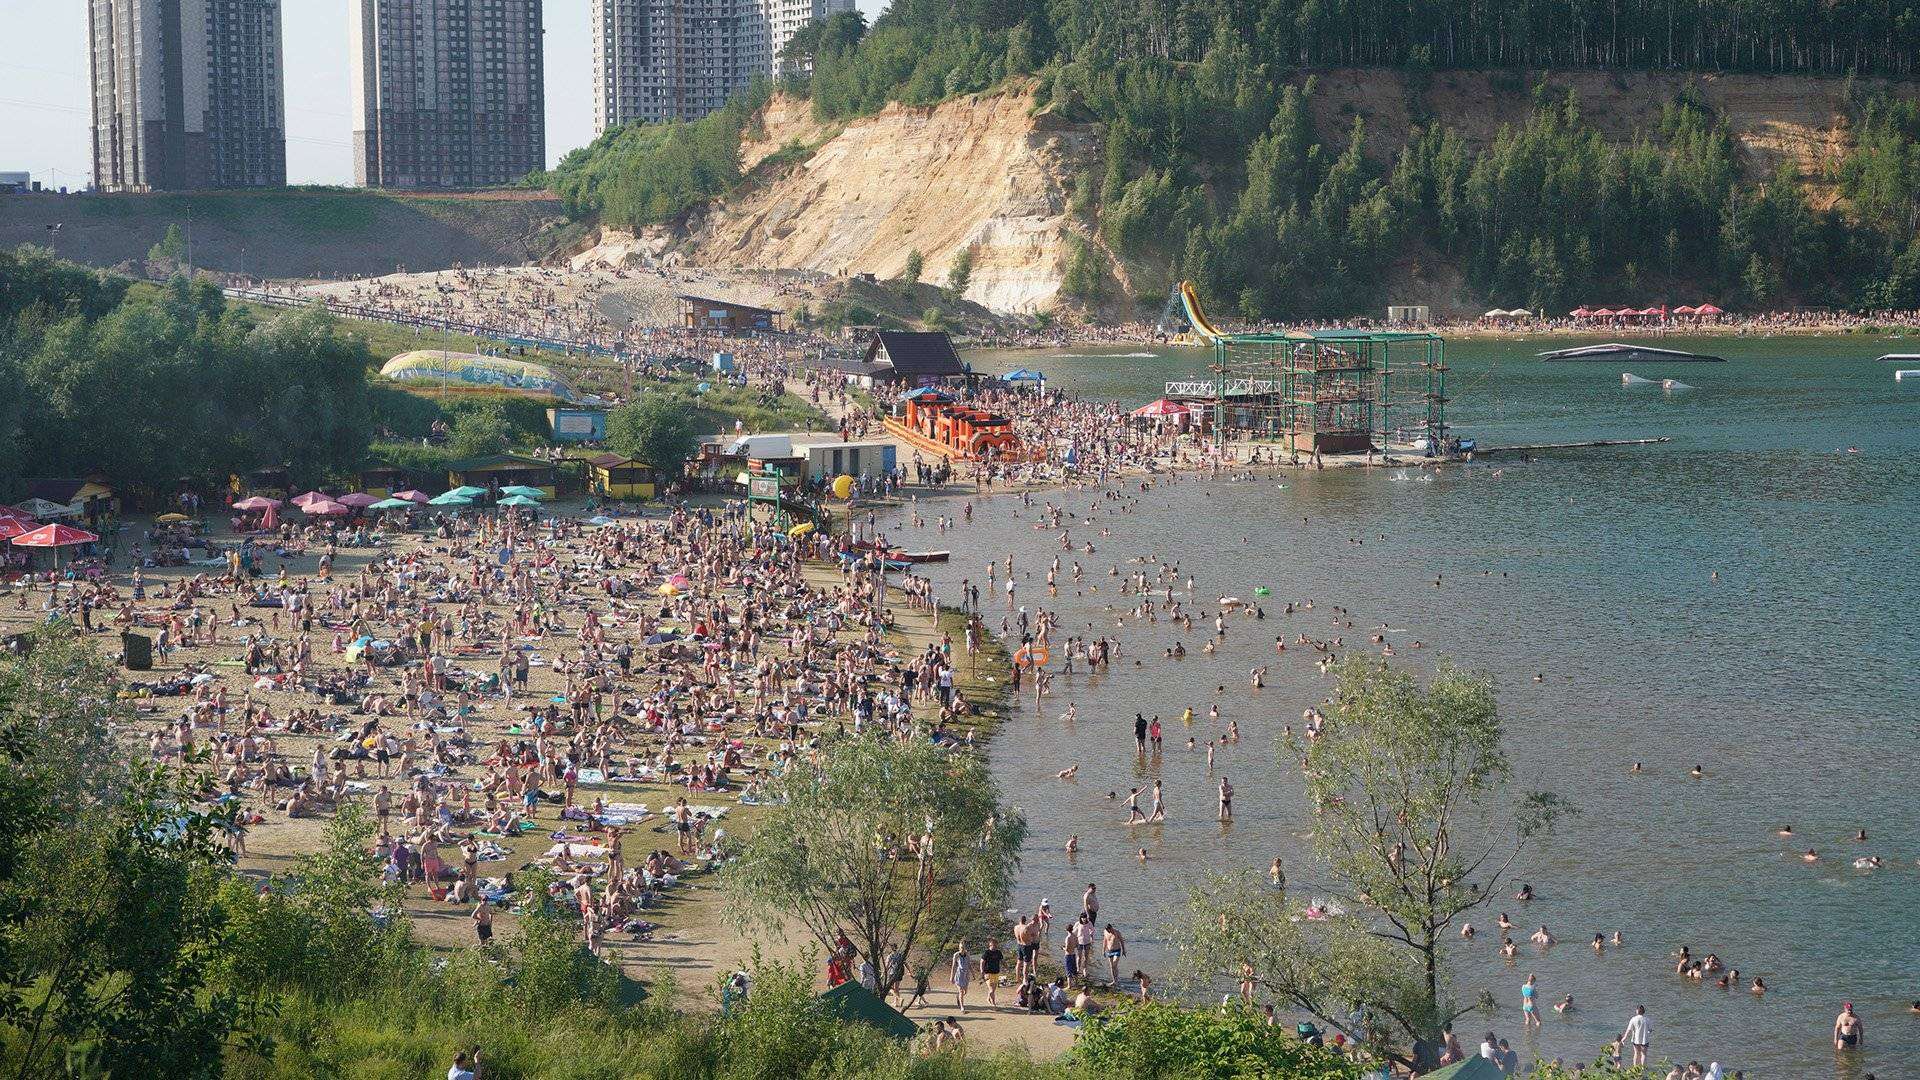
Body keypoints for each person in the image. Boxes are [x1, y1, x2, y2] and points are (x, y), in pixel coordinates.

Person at [950, 942, 973, 1011]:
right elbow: (953, 966)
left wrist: (973, 974)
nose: (962, 949)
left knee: (965, 992)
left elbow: (969, 965)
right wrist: (951, 977)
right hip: (959, 974)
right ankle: (962, 1007)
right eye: (961, 947)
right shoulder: (956, 955)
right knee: (961, 991)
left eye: (963, 947)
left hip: (966, 975)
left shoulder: (967, 954)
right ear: (959, 948)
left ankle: (958, 997)